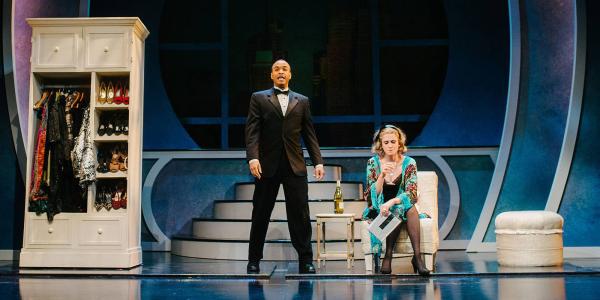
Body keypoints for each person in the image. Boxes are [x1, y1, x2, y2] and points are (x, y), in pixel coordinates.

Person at [245, 59, 325, 274]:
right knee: (261, 212)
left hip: (294, 164)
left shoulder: (302, 101)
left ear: (290, 74)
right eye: (277, 69)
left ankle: (305, 260)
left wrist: (317, 161)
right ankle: (253, 259)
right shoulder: (259, 98)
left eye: (285, 69)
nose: (281, 72)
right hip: (266, 165)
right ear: (271, 75)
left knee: (299, 213)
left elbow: (309, 134)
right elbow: (252, 131)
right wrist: (253, 157)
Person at [363, 125, 430, 275]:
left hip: (401, 206)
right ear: (381, 144)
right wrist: (381, 176)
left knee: (409, 207)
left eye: (393, 142)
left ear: (400, 143)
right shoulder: (373, 163)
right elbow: (369, 195)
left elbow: (412, 193)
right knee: (405, 209)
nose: (390, 146)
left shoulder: (409, 163)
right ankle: (401, 258)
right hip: (380, 209)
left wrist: (392, 202)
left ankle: (416, 258)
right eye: (386, 142)